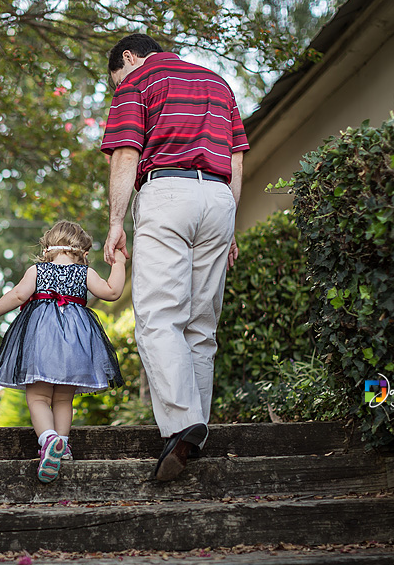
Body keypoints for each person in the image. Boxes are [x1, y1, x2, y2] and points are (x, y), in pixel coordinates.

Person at [100, 33, 250, 482]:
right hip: (220, 198)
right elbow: (237, 158)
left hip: (167, 190)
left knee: (159, 317)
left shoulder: (139, 80)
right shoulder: (219, 83)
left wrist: (115, 221)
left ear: (128, 57)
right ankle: (194, 438)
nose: (117, 86)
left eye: (114, 79)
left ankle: (184, 424)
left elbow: (127, 151)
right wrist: (231, 224)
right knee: (201, 326)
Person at [0, 221, 127, 483]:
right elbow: (112, 292)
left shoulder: (37, 270)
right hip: (76, 345)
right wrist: (120, 262)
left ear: (47, 247)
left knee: (37, 398)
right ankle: (63, 445)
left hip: (41, 343)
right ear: (83, 251)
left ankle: (48, 440)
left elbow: (18, 295)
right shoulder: (85, 273)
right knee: (62, 400)